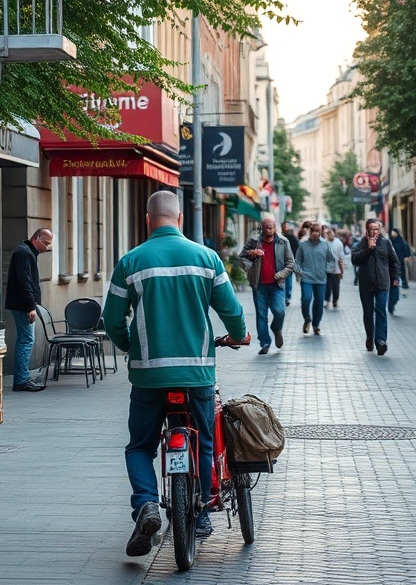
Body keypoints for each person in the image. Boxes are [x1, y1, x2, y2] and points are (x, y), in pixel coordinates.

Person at [102, 191, 246, 555]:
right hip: (197, 373)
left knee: (140, 446)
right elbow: (231, 310)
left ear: (149, 220)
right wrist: (240, 333)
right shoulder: (206, 258)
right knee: (206, 439)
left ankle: (147, 504)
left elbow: (113, 320)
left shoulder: (131, 262)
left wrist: (128, 346)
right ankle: (202, 513)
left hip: (149, 375)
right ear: (179, 218)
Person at [3, 227, 54, 392]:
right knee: (26, 340)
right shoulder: (24, 253)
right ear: (37, 238)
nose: (47, 248)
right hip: (22, 305)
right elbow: (24, 281)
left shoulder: (26, 252)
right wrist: (30, 306)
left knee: (24, 340)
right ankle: (22, 380)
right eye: (46, 243)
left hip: (22, 304)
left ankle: (22, 378)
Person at [241, 215, 294, 354]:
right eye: (267, 227)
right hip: (259, 285)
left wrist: (280, 275)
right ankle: (265, 342)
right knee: (261, 315)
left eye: (272, 226)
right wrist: (252, 254)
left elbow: (290, 264)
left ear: (275, 227)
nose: (270, 229)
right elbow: (242, 257)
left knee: (280, 312)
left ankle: (276, 329)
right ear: (262, 228)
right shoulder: (254, 241)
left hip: (277, 285)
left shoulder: (283, 242)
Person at [351, 218, 400, 354]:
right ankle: (369, 337)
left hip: (383, 283)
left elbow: (394, 261)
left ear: (380, 230)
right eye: (371, 229)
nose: (374, 232)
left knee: (381, 311)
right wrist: (368, 249)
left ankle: (381, 342)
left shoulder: (386, 243)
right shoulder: (360, 243)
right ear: (367, 230)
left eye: (376, 229)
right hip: (366, 284)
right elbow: (355, 260)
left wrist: (395, 277)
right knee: (368, 312)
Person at [293, 222, 330, 335]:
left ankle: (316, 324)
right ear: (310, 232)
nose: (315, 233)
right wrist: (298, 272)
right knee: (306, 299)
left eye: (317, 231)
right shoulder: (303, 245)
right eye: (313, 231)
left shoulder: (325, 245)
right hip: (306, 277)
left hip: (321, 278)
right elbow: (298, 261)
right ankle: (307, 319)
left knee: (319, 301)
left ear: (320, 232)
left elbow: (331, 259)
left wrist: (329, 270)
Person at [323, 227, 345, 309]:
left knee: (336, 287)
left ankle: (335, 300)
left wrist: (342, 271)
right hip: (326, 269)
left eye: (331, 233)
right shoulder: (324, 243)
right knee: (327, 286)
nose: (330, 235)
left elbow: (341, 258)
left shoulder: (338, 243)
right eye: (328, 233)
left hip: (336, 270)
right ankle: (326, 300)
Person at [281, 221, 300, 306]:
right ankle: (286, 297)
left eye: (286, 227)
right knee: (287, 280)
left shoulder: (286, 239)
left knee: (286, 280)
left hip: (287, 262)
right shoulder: (282, 238)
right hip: (286, 261)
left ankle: (286, 297)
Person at [389, 227, 412, 294]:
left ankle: (404, 283)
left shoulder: (401, 240)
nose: (392, 233)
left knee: (402, 271)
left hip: (400, 259)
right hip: (393, 259)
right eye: (392, 232)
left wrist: (406, 256)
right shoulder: (390, 240)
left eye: (394, 232)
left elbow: (406, 248)